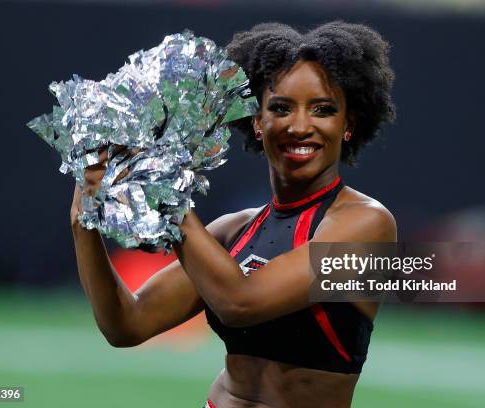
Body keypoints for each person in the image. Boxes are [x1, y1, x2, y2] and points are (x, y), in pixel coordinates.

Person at [72, 21, 396, 408]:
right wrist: (83, 215)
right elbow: (127, 325)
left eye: (323, 110)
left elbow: (240, 304)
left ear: (348, 125)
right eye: (280, 108)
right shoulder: (233, 230)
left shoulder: (368, 225)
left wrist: (163, 185)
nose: (300, 126)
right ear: (258, 123)